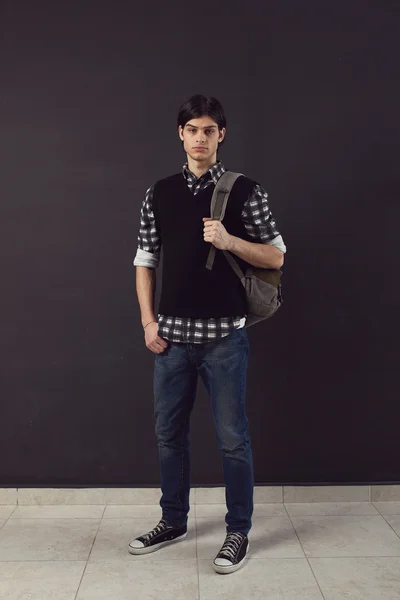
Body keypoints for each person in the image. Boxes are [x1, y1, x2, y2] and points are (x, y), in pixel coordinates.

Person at [130, 94, 286, 574]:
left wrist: (229, 240)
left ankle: (237, 531)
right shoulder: (158, 192)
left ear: (222, 136)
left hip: (224, 339)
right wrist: (148, 322)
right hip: (171, 339)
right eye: (192, 129)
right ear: (181, 134)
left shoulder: (246, 191)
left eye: (209, 130)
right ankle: (173, 520)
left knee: (233, 439)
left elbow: (277, 257)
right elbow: (144, 261)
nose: (200, 138)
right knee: (168, 435)